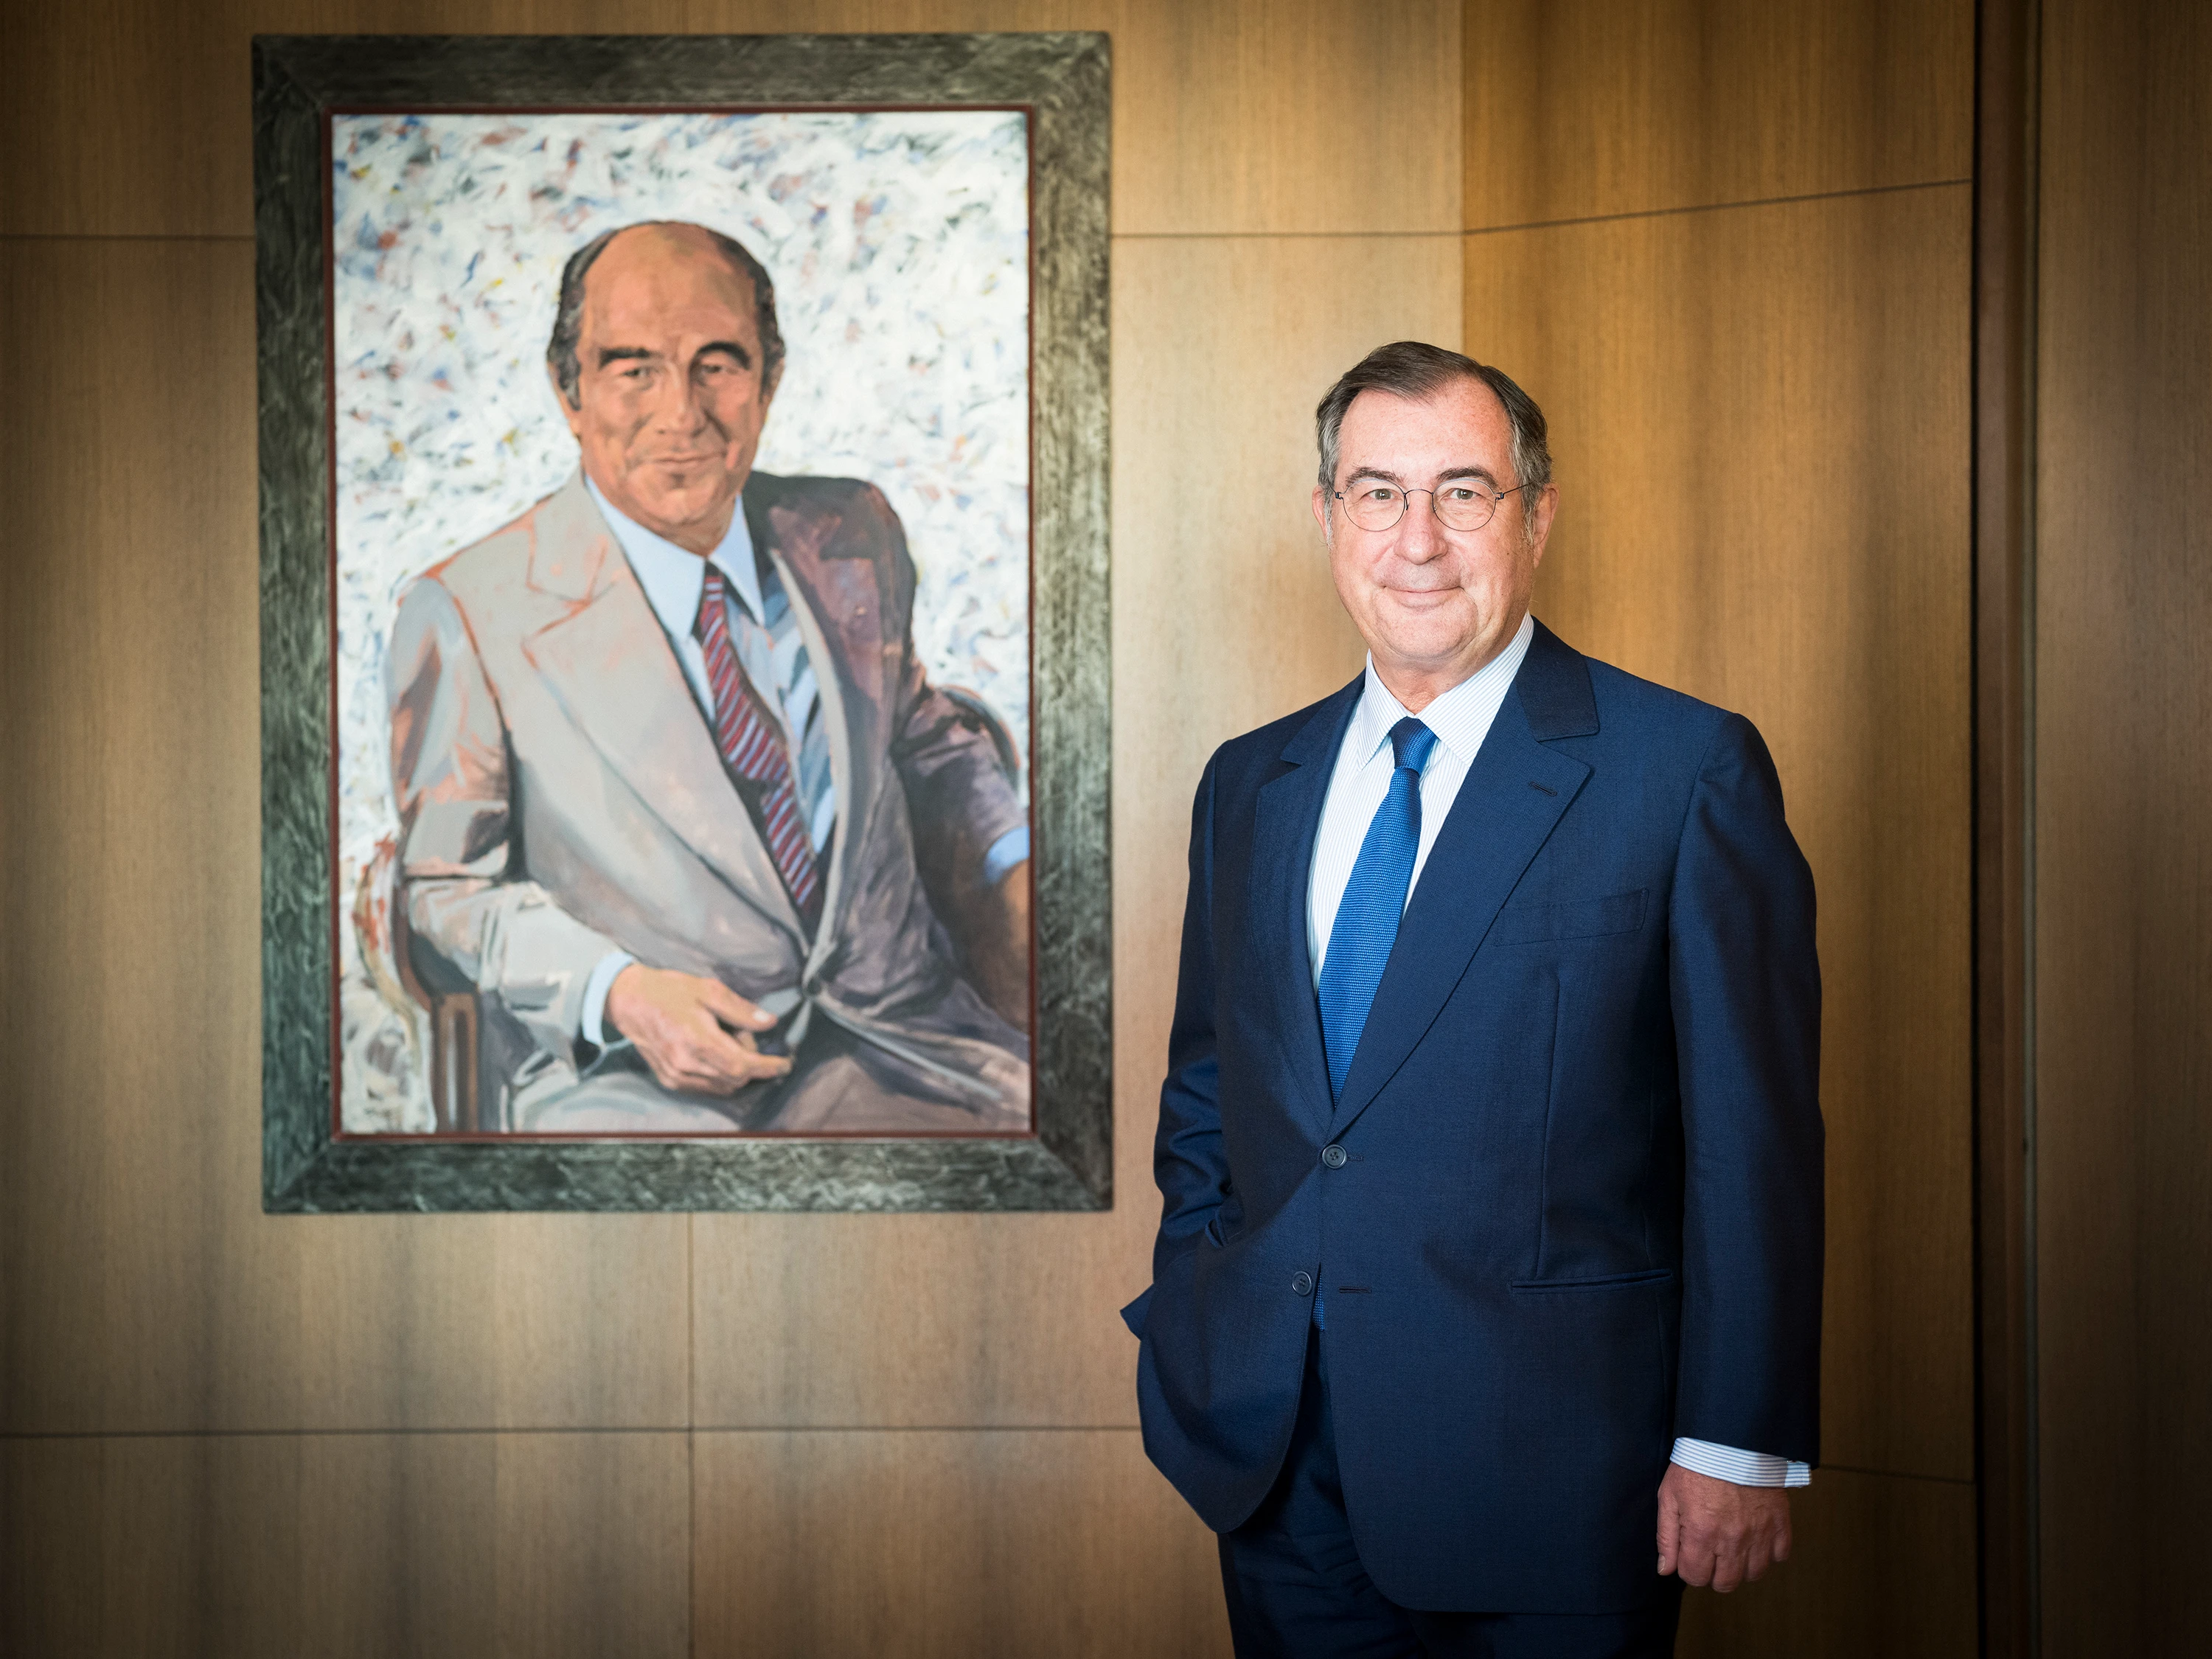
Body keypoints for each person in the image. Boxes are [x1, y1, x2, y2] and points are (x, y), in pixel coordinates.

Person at [1122, 341, 1823, 1656]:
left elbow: (1754, 1145)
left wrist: (1739, 1439)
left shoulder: (1683, 771)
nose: (1418, 542)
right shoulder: (1249, 782)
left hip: (1561, 1476)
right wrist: (1200, 1316)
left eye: (1464, 492)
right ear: (1329, 518)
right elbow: (1213, 1090)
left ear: (1537, 515)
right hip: (1279, 1465)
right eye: (1378, 494)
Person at [386, 220, 1032, 1134]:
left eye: (718, 364)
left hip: (913, 1044)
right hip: (639, 1087)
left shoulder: (853, 530)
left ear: (768, 381)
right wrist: (617, 992)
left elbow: (924, 739)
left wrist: (1019, 862)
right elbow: (444, 889)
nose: (681, 412)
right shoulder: (468, 610)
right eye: (633, 368)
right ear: (569, 392)